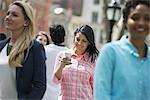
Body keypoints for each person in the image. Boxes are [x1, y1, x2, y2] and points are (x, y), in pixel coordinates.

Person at [94, 0, 150, 100]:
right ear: (125, 22)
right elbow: (101, 96)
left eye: (147, 19)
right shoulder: (110, 53)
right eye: (135, 18)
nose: (141, 23)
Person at [0, 1, 46, 99]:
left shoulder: (34, 48)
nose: (8, 17)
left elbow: (40, 86)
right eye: (8, 13)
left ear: (26, 22)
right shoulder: (1, 46)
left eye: (14, 15)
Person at [53, 25, 99, 100]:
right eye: (77, 39)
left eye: (84, 41)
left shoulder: (92, 62)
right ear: (74, 38)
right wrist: (62, 65)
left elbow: (95, 88)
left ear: (89, 43)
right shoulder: (62, 55)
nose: (79, 43)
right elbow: (55, 80)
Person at [43, 24, 68, 100]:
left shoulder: (43, 50)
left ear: (50, 36)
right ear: (64, 36)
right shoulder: (69, 53)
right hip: (61, 95)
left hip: (44, 94)